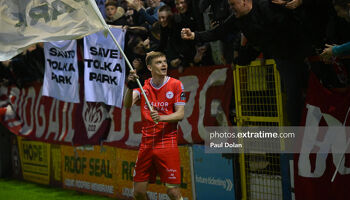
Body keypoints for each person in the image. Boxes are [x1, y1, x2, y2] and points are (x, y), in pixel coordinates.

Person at [124, 51, 185, 200]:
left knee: (173, 193)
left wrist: (161, 118)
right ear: (150, 68)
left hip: (167, 144)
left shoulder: (176, 84)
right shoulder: (143, 87)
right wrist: (130, 86)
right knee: (138, 193)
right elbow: (127, 105)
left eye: (164, 61)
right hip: (146, 145)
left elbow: (180, 114)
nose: (164, 64)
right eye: (159, 62)